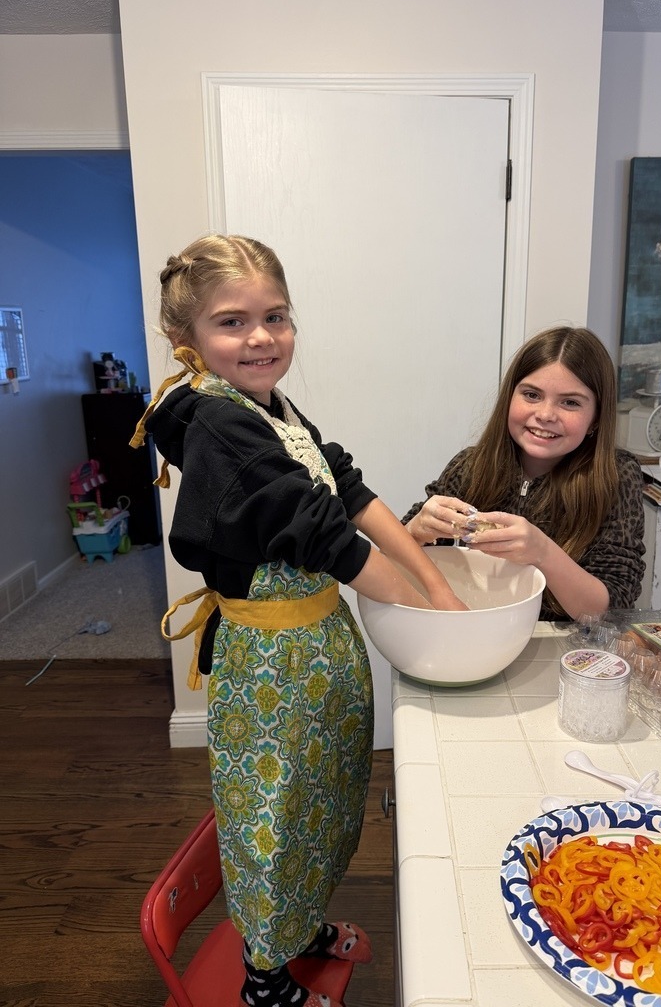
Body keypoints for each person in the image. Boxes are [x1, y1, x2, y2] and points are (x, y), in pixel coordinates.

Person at [130, 234, 465, 1007]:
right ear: (189, 341)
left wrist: (432, 584)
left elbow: (344, 490)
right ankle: (264, 977)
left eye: (275, 316)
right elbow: (331, 542)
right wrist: (432, 608)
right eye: (232, 322)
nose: (260, 337)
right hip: (273, 667)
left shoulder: (269, 404)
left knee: (325, 802)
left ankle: (301, 926)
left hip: (320, 643)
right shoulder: (220, 426)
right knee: (274, 821)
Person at [402, 325, 645, 621]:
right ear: (509, 399)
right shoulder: (470, 466)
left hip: (564, 649)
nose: (545, 415)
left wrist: (542, 551)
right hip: (477, 632)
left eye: (570, 402)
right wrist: (415, 530)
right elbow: (399, 562)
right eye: (531, 395)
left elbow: (611, 609)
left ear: (596, 418)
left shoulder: (617, 477)